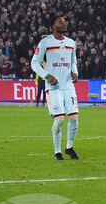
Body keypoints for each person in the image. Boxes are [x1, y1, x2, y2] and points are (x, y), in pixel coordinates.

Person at [31, 16, 80, 160]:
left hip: (69, 86)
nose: (64, 24)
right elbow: (34, 63)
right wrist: (46, 75)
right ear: (53, 26)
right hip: (54, 87)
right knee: (60, 119)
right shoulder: (45, 42)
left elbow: (73, 61)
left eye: (65, 22)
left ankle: (69, 147)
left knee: (74, 118)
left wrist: (75, 72)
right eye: (60, 22)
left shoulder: (71, 43)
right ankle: (57, 151)